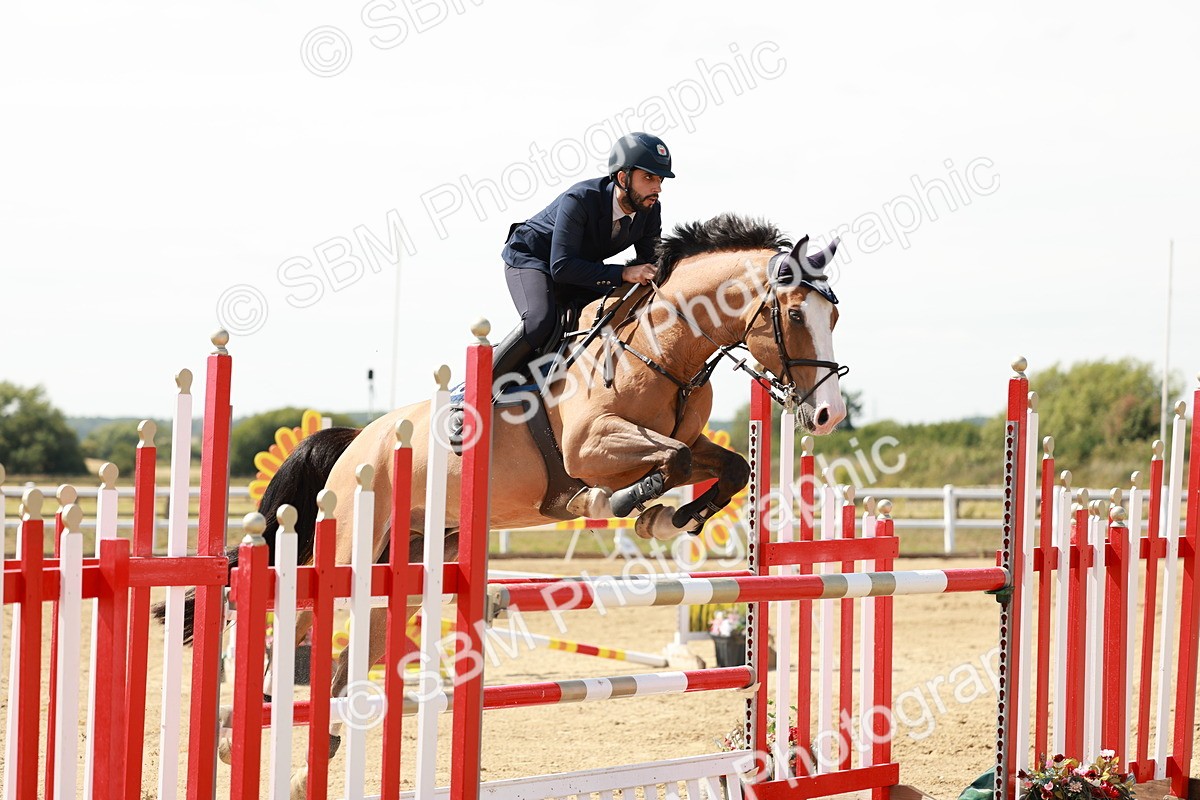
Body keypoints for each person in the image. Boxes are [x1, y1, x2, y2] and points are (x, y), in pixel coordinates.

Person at [492, 131, 674, 380]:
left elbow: (650, 263)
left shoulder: (650, 210)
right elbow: (562, 267)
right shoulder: (580, 199)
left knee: (620, 307)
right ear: (623, 177)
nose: (658, 188)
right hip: (532, 259)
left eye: (660, 180)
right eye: (649, 178)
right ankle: (474, 391)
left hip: (578, 266)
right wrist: (622, 272)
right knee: (540, 321)